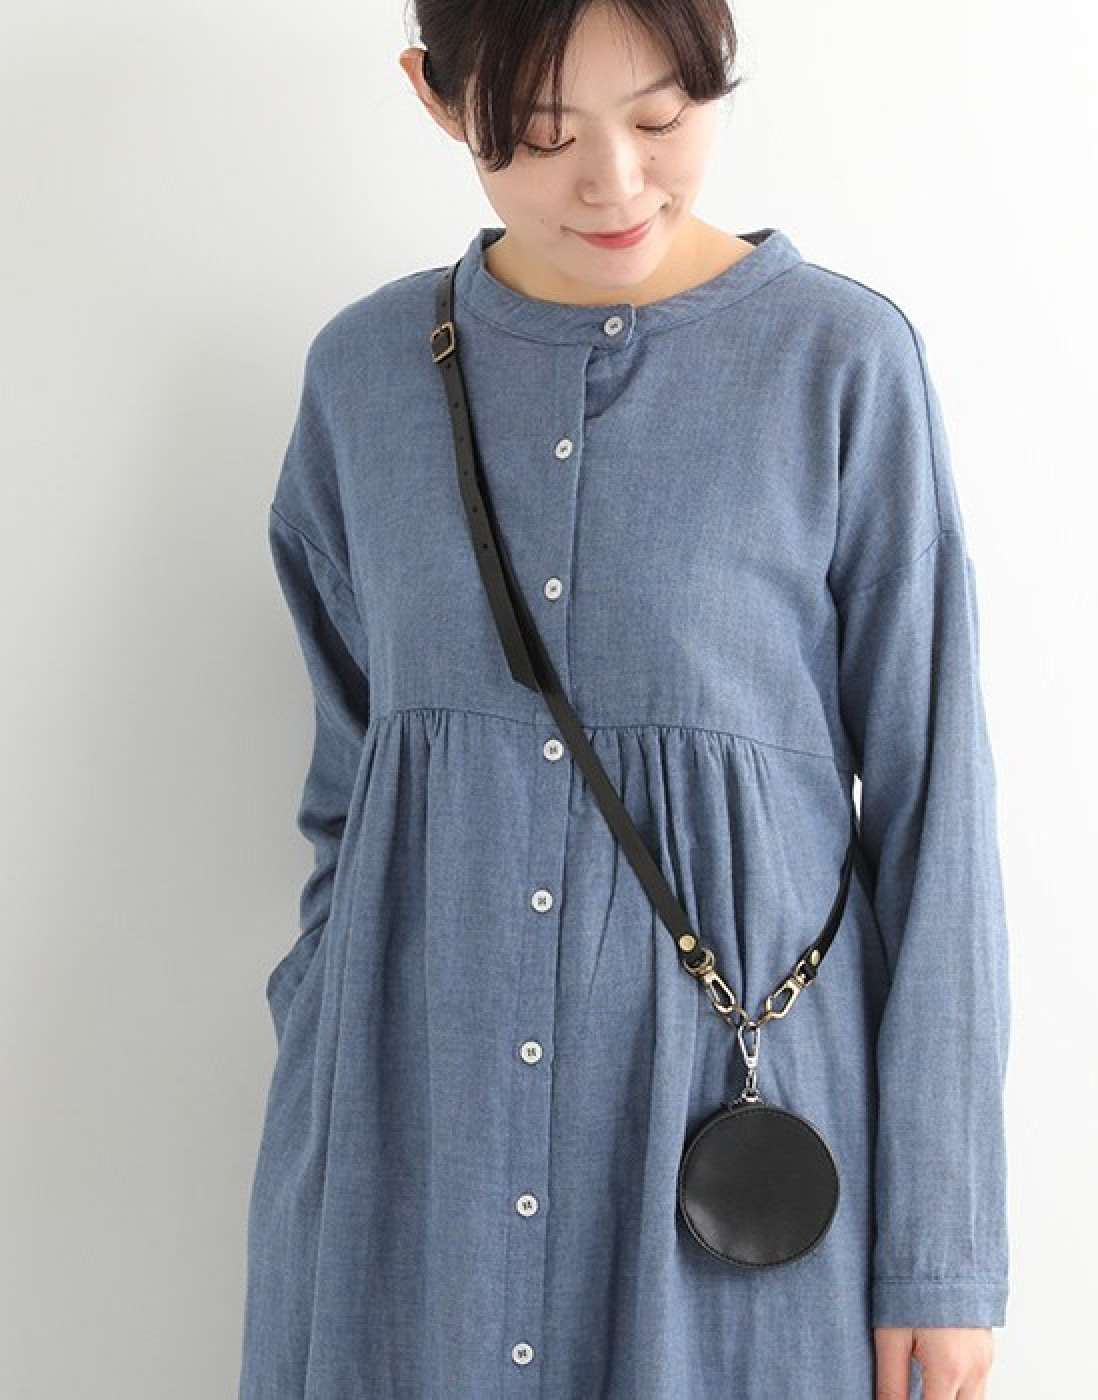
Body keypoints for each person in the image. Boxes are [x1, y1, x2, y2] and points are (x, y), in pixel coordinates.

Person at [238, 2, 1012, 1397]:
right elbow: (348, 790)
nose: (613, 181)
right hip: (408, 1163)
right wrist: (327, 1031)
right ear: (435, 95)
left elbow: (935, 819)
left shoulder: (841, 365)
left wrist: (940, 1256)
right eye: (541, 135)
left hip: (729, 1174)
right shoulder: (363, 377)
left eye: (661, 118)